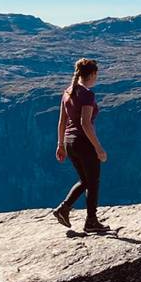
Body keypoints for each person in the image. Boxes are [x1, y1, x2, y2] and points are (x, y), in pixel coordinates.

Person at [52, 57, 111, 233]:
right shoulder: (87, 94)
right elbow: (86, 123)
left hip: (70, 143)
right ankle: (91, 221)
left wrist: (60, 144)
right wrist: (98, 148)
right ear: (92, 74)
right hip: (83, 143)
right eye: (96, 75)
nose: (96, 78)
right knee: (93, 182)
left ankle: (63, 209)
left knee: (85, 181)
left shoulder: (67, 92)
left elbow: (62, 121)